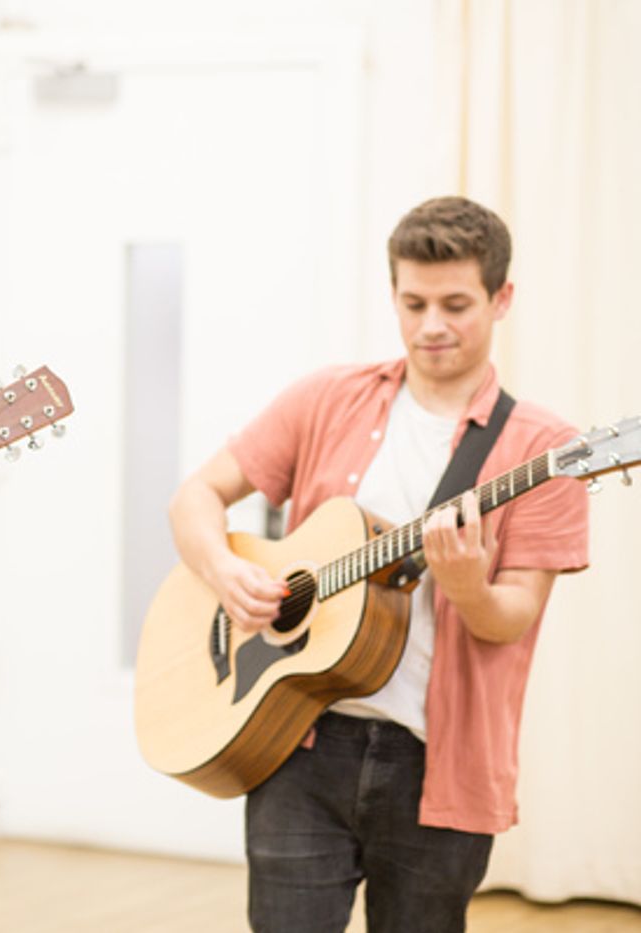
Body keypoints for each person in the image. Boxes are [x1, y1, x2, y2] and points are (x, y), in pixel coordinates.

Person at [167, 196, 589, 932]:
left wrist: (468, 589)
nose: (431, 326)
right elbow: (195, 497)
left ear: (501, 299)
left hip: (439, 765)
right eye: (413, 303)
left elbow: (514, 618)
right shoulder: (326, 398)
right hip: (296, 741)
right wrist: (226, 574)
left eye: (456, 305)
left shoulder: (546, 450)